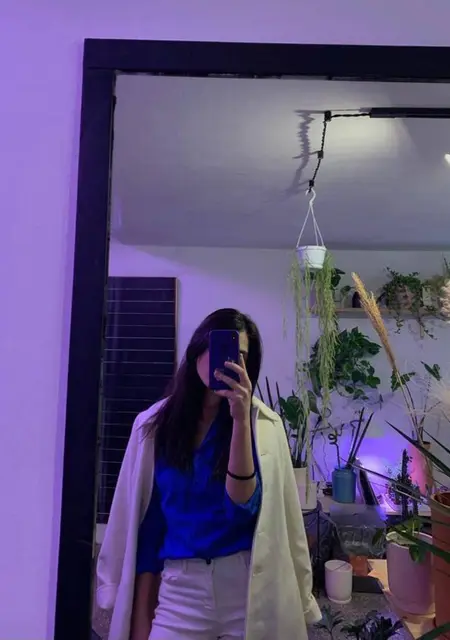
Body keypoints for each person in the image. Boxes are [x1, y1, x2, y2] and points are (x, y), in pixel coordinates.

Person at [97, 308, 321, 640]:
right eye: (220, 349)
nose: (227, 362)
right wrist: (141, 616)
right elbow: (149, 524)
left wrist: (240, 418)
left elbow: (245, 507)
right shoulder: (154, 427)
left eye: (239, 356)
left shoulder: (264, 427)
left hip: (246, 589)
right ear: (198, 350)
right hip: (180, 590)